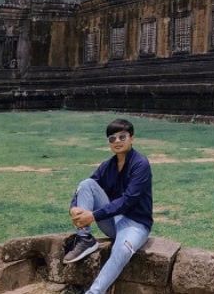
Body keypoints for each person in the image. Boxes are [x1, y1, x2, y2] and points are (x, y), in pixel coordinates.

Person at [64, 118, 153, 294]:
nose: (117, 141)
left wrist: (94, 215)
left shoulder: (140, 164)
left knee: (121, 250)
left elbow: (128, 200)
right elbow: (88, 186)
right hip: (113, 222)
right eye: (112, 138)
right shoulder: (108, 165)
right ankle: (85, 238)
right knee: (87, 183)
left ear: (131, 138)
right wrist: (73, 207)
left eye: (122, 137)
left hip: (135, 224)